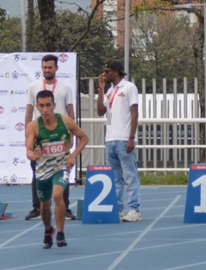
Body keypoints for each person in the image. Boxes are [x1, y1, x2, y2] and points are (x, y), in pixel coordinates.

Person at [26, 90, 89, 248]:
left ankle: (60, 233)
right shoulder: (33, 126)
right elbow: (28, 151)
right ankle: (48, 230)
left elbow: (84, 138)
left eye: (48, 105)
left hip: (61, 167)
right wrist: (34, 155)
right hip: (42, 171)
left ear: (54, 105)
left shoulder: (65, 121)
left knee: (57, 194)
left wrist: (72, 156)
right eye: (42, 106)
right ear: (37, 107)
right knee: (44, 205)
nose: (45, 109)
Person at [25, 54, 77, 221]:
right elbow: (29, 111)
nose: (47, 70)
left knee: (62, 172)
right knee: (37, 172)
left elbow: (70, 111)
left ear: (56, 68)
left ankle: (65, 208)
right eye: (45, 67)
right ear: (41, 68)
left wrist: (72, 135)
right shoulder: (33, 87)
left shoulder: (65, 87)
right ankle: (37, 209)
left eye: (50, 67)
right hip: (41, 136)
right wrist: (28, 135)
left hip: (61, 136)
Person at [96, 59, 142, 222]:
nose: (105, 74)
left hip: (124, 139)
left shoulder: (129, 87)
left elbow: (134, 113)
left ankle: (134, 209)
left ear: (116, 72)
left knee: (130, 176)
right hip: (110, 139)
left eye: (107, 71)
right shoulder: (109, 90)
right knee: (115, 178)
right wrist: (101, 89)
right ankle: (118, 209)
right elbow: (100, 111)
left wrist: (131, 138)